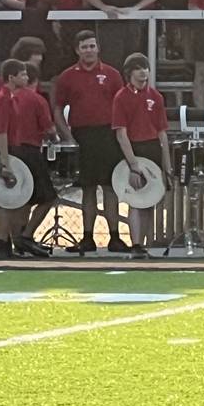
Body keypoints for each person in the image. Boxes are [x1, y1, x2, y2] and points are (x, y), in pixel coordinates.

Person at [52, 30, 127, 253]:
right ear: (77, 50)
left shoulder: (112, 74)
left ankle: (115, 237)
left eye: (92, 46)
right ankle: (87, 238)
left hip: (108, 135)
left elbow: (121, 106)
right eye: (84, 47)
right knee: (87, 189)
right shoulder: (67, 77)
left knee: (110, 188)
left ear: (98, 48)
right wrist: (68, 137)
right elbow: (57, 109)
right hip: (82, 137)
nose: (89, 51)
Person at [0, 58, 56, 259]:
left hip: (13, 151)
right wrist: (5, 161)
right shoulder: (5, 98)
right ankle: (12, 240)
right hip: (14, 152)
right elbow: (1, 131)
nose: (26, 78)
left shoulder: (10, 97)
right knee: (22, 199)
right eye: (23, 74)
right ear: (12, 77)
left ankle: (5, 243)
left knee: (14, 201)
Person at [108, 53, 165, 257]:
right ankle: (136, 244)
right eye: (138, 68)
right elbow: (121, 133)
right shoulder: (121, 97)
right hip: (134, 150)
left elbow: (162, 131)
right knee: (136, 199)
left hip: (152, 149)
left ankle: (147, 244)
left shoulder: (155, 96)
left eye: (146, 68)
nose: (143, 72)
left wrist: (166, 162)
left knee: (150, 200)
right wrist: (132, 164)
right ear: (129, 73)